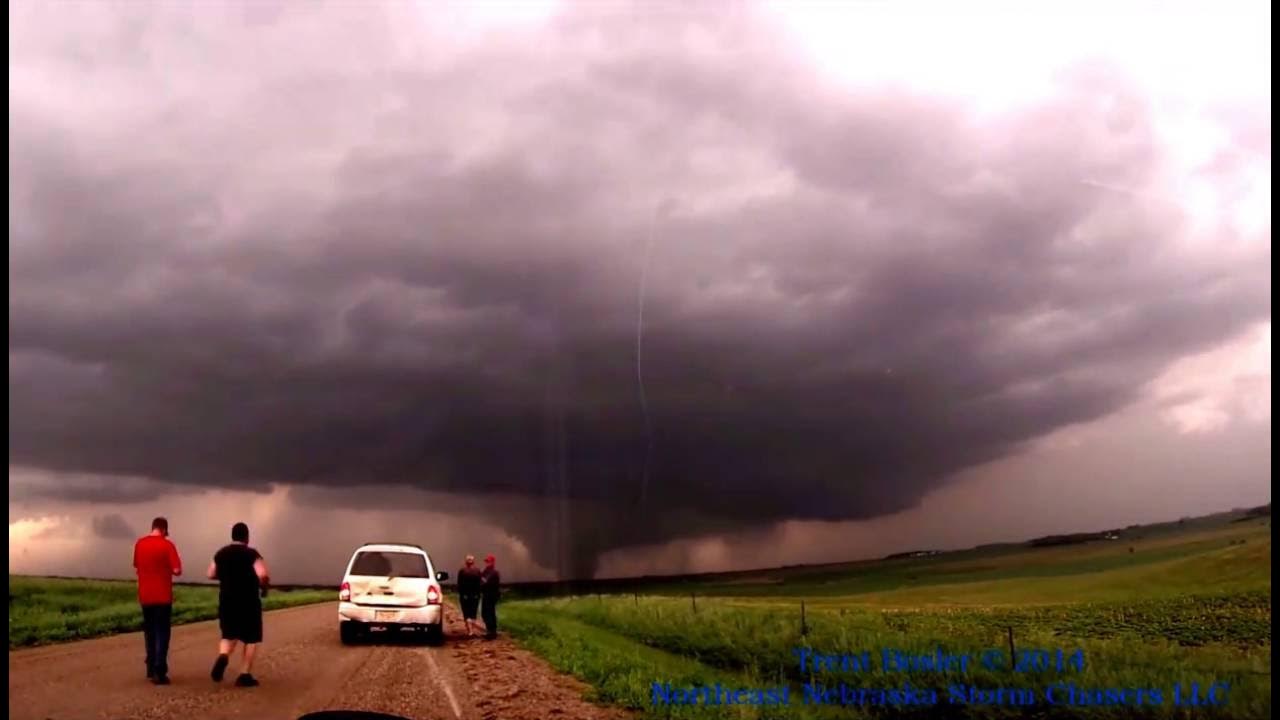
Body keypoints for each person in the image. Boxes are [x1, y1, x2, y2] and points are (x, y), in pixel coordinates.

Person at [207, 522, 270, 687]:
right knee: (251, 638)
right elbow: (262, 575)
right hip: (249, 601)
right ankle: (244, 674)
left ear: (232, 536)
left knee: (228, 634)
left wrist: (226, 576)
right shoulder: (251, 554)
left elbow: (210, 574)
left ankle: (223, 655)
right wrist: (264, 588)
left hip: (227, 600)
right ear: (247, 537)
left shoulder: (221, 553)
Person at [133, 517, 182, 685]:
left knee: (149, 631)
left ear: (152, 527)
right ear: (165, 530)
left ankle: (150, 668)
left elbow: (137, 566)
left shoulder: (139, 544)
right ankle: (159, 671)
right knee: (162, 632)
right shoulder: (168, 545)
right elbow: (177, 570)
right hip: (162, 596)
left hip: (145, 596)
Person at [456, 555, 483, 637]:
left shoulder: (462, 571)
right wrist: (478, 594)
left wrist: (461, 594)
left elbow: (459, 584)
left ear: (466, 562)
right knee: (473, 613)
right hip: (475, 596)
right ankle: (472, 630)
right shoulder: (478, 571)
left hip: (465, 596)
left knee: (466, 613)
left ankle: (470, 631)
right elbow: (480, 584)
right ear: (473, 562)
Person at [480, 554, 501, 640]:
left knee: (489, 613)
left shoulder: (493, 572)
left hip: (491, 595)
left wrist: (481, 580)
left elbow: (485, 582)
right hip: (486, 594)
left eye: (488, 561)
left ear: (492, 562)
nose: (487, 563)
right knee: (485, 613)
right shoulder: (486, 571)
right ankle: (490, 630)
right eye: (486, 561)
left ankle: (492, 632)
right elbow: (481, 580)